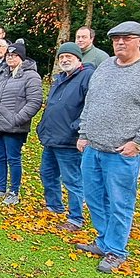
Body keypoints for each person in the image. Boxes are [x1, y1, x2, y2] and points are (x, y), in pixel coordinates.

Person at [77, 21, 140, 273]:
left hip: (122, 153)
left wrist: (138, 143)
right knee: (94, 199)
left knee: (120, 202)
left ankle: (116, 251)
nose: (120, 42)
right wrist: (83, 134)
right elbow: (90, 102)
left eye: (127, 38)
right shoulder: (106, 66)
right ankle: (104, 240)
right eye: (116, 38)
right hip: (93, 148)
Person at [37, 43, 94, 232]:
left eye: (69, 56)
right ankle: (54, 206)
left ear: (78, 58)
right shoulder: (59, 78)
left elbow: (90, 107)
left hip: (69, 140)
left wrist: (76, 128)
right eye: (61, 57)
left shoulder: (86, 76)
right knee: (47, 173)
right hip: (52, 137)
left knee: (72, 180)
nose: (65, 60)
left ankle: (76, 218)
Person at [0, 42, 43, 204]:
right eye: (8, 55)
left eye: (14, 55)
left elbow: (35, 102)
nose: (10, 58)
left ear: (21, 58)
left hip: (14, 127)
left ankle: (14, 192)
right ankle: (0, 188)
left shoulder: (31, 76)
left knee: (13, 158)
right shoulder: (2, 72)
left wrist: (17, 119)